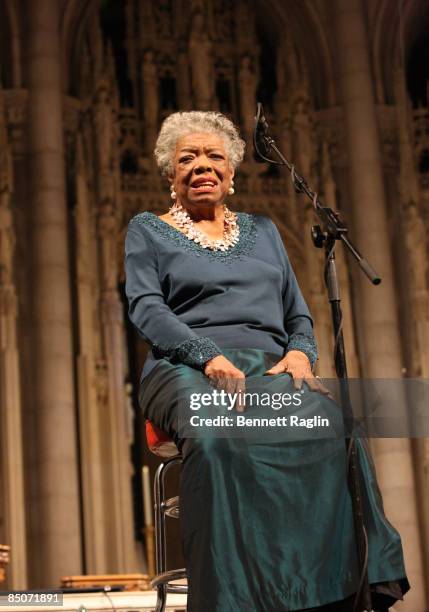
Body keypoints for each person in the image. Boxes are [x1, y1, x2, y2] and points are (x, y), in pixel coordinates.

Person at [124, 111, 409, 612]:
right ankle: (228, 600)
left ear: (233, 172)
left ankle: (336, 593)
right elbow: (146, 307)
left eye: (214, 156)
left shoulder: (265, 230)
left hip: (267, 366)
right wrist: (205, 354)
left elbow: (297, 312)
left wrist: (301, 353)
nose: (201, 166)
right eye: (186, 158)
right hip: (181, 365)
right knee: (215, 438)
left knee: (337, 428)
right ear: (170, 174)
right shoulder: (147, 229)